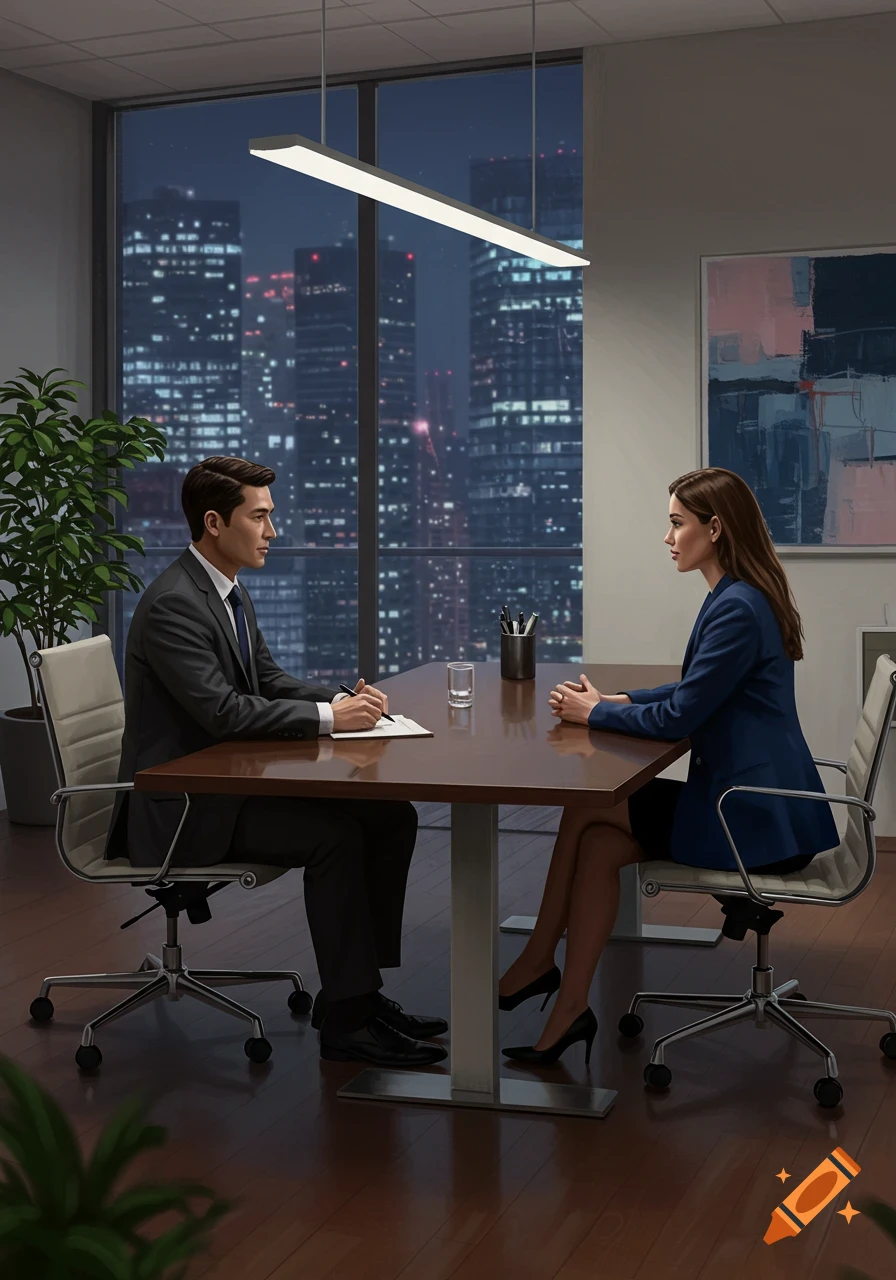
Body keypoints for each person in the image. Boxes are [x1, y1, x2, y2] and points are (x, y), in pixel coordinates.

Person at [108, 455, 447, 1069]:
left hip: (225, 785)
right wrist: (331, 722)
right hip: (184, 807)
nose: (272, 530)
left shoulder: (226, 590)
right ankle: (348, 1021)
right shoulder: (174, 605)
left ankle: (357, 996)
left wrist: (340, 703)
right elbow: (223, 712)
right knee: (333, 837)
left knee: (390, 815)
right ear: (215, 523)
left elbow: (265, 678)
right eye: (259, 517)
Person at [499, 466, 838, 1066]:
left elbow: (680, 716)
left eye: (677, 523)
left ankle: (537, 960)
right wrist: (621, 700)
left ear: (716, 528)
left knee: (586, 808)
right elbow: (695, 687)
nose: (667, 537)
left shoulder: (737, 607)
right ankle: (568, 1004)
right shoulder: (738, 595)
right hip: (761, 805)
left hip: (751, 819)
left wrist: (596, 713)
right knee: (599, 845)